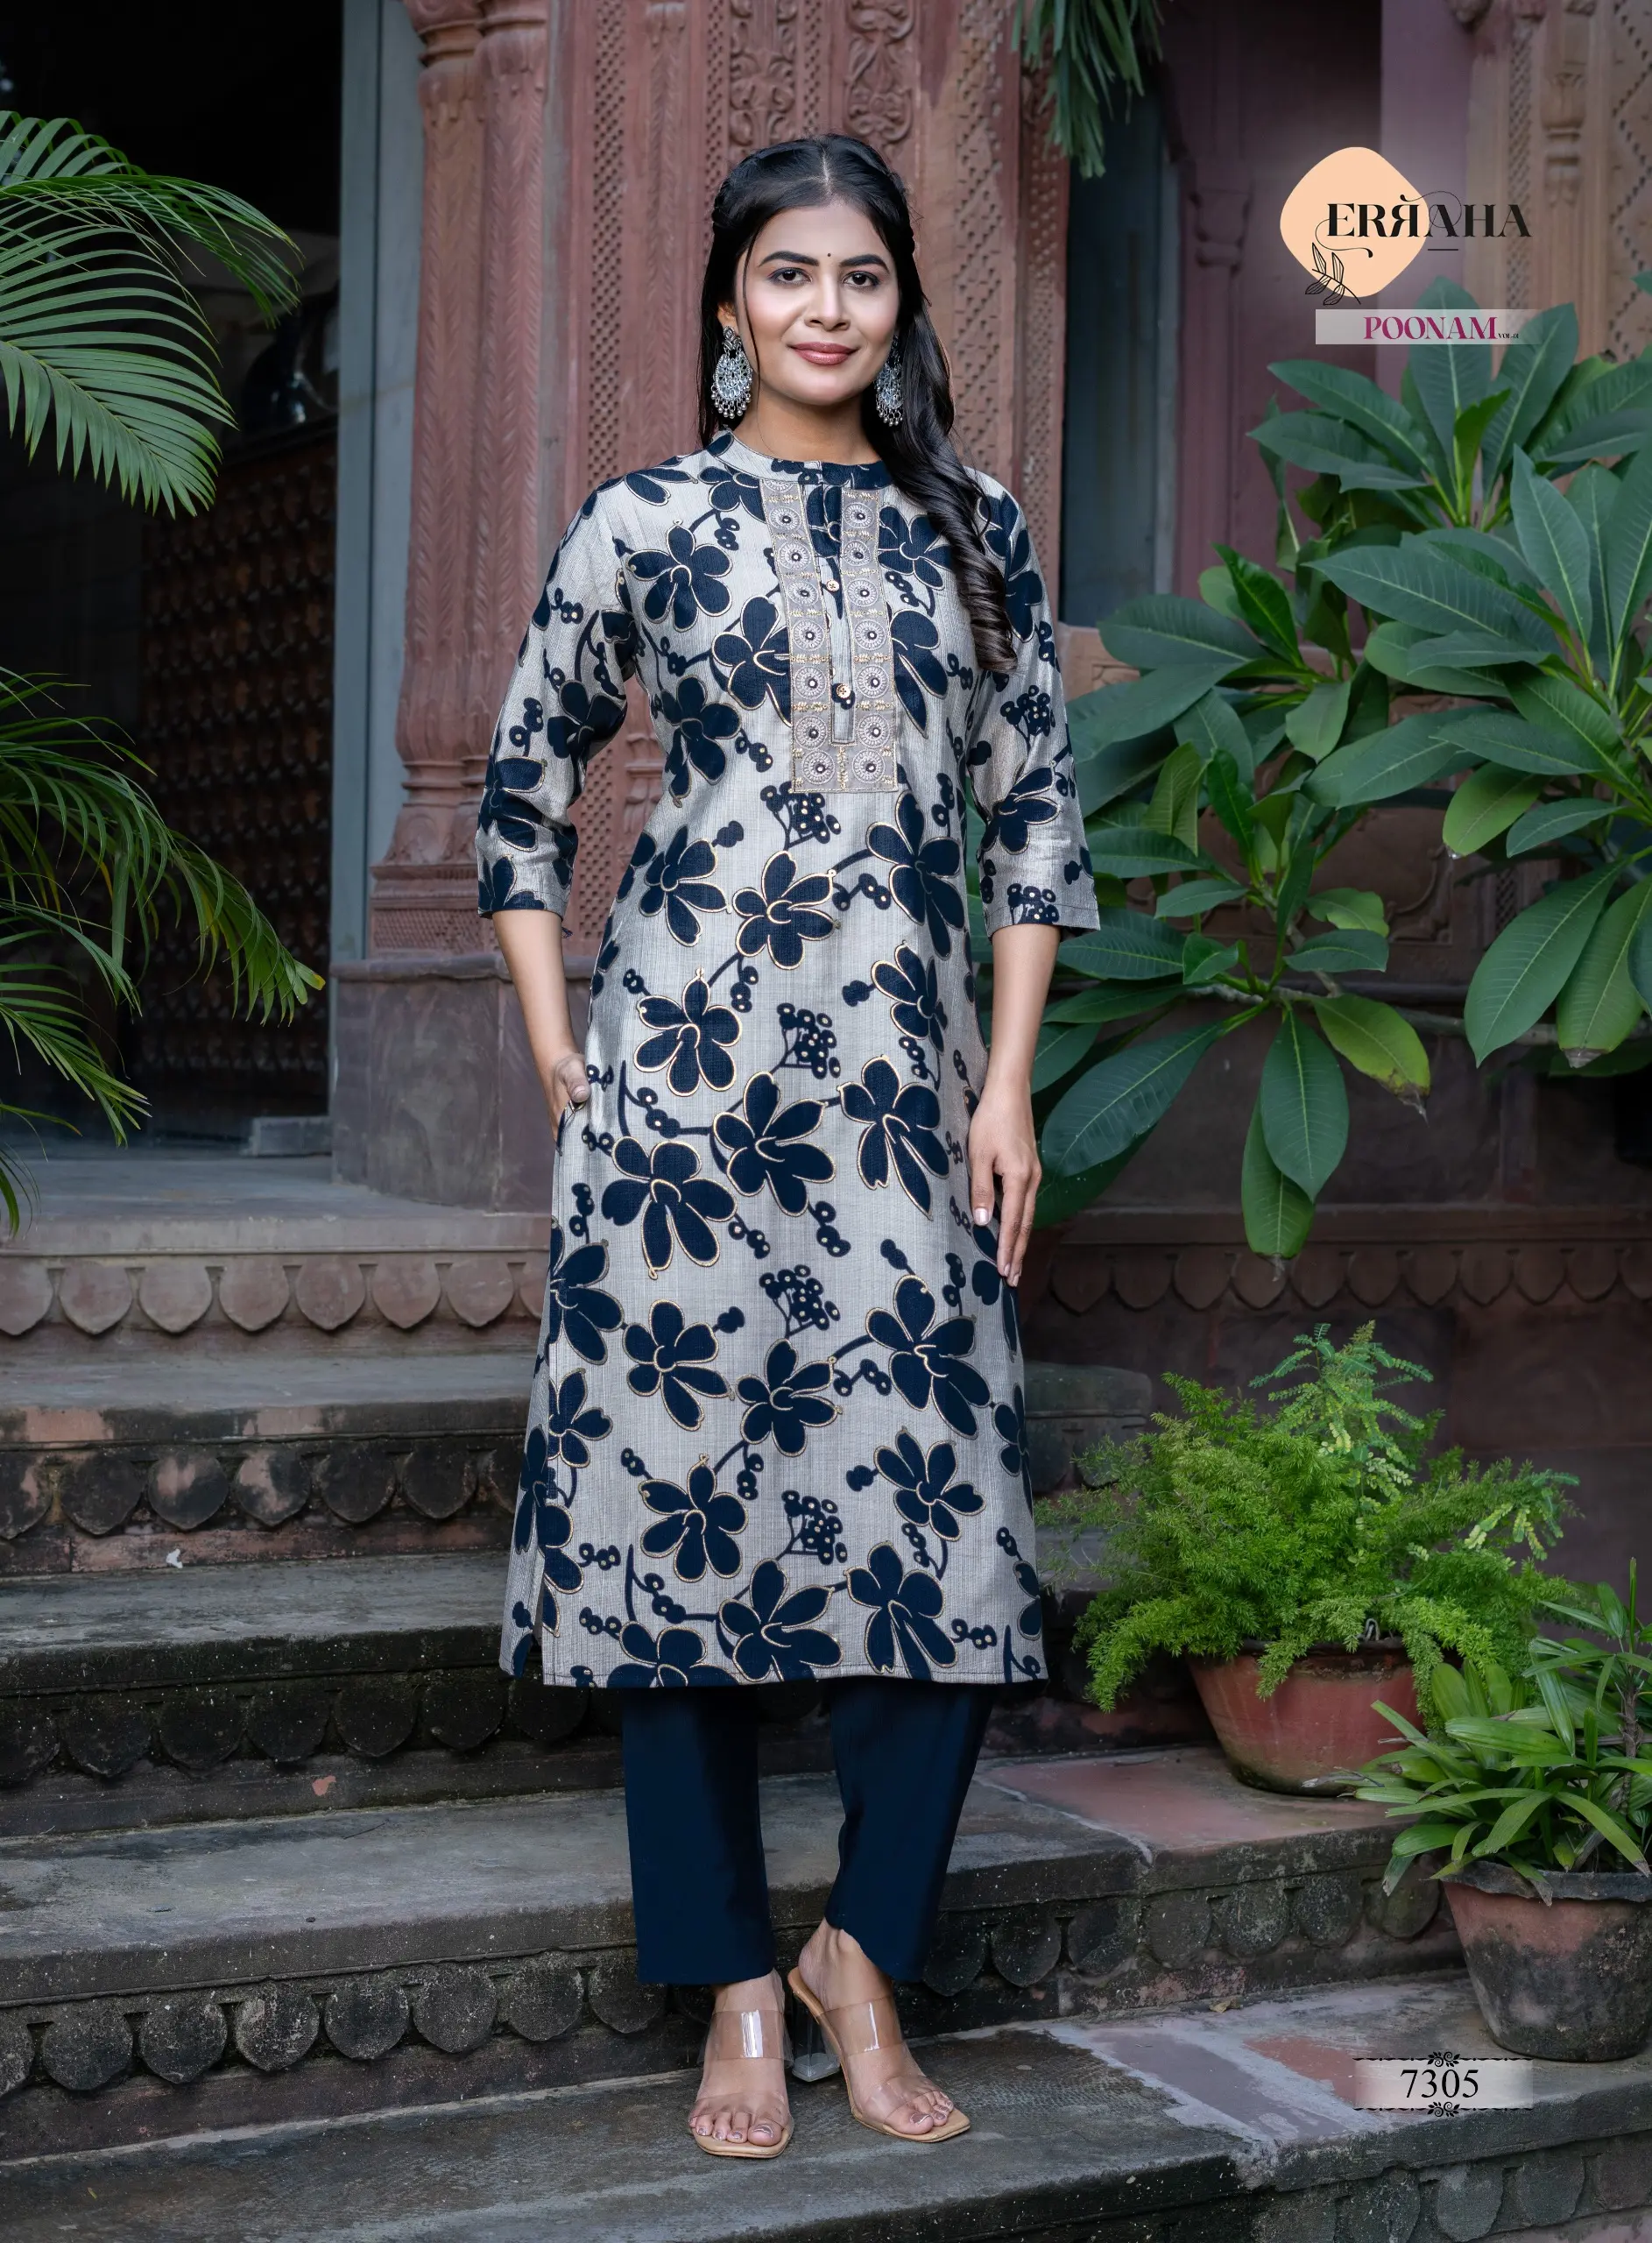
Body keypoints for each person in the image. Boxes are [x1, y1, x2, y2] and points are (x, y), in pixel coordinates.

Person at [478, 131, 1098, 2160]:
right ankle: (734, 1977)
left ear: (900, 305)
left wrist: (1008, 1084)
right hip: (681, 1090)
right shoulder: (644, 521)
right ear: (731, 302)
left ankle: (862, 1947)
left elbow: (1032, 815)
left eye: (861, 277)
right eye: (788, 275)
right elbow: (524, 779)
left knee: (946, 1524)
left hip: (911, 1094)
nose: (826, 309)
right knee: (671, 1524)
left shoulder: (976, 533)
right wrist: (560, 1042)